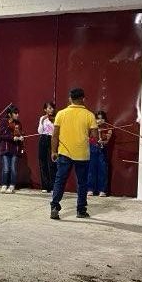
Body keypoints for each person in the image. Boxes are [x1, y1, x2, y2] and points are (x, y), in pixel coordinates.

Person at [50, 88, 98, 220]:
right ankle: (81, 210)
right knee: (82, 183)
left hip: (64, 153)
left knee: (60, 180)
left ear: (70, 99)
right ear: (83, 99)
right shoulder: (89, 115)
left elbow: (55, 135)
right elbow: (95, 138)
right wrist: (92, 132)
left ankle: (54, 207)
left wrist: (53, 151)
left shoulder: (61, 114)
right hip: (82, 154)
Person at [0, 106, 24, 193]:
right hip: (5, 148)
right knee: (5, 168)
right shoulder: (4, 122)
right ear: (9, 114)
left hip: (15, 149)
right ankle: (4, 185)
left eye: (18, 113)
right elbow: (2, 134)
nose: (17, 115)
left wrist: (21, 137)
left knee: (13, 168)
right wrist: (12, 137)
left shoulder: (18, 123)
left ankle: (12, 185)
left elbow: (20, 133)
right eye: (15, 113)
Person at [87, 110, 113, 197]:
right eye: (98, 119)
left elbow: (107, 140)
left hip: (102, 150)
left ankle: (102, 190)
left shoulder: (108, 128)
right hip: (92, 149)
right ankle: (90, 189)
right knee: (91, 169)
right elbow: (87, 138)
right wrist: (93, 139)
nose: (100, 120)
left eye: (102, 119)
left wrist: (103, 142)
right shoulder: (91, 128)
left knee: (103, 169)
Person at [37, 102, 57, 192]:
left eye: (52, 108)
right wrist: (42, 121)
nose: (51, 110)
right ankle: (45, 186)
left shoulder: (56, 118)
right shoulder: (42, 118)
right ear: (45, 109)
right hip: (43, 139)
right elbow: (39, 131)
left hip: (52, 139)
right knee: (43, 162)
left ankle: (53, 186)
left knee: (52, 163)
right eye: (49, 108)